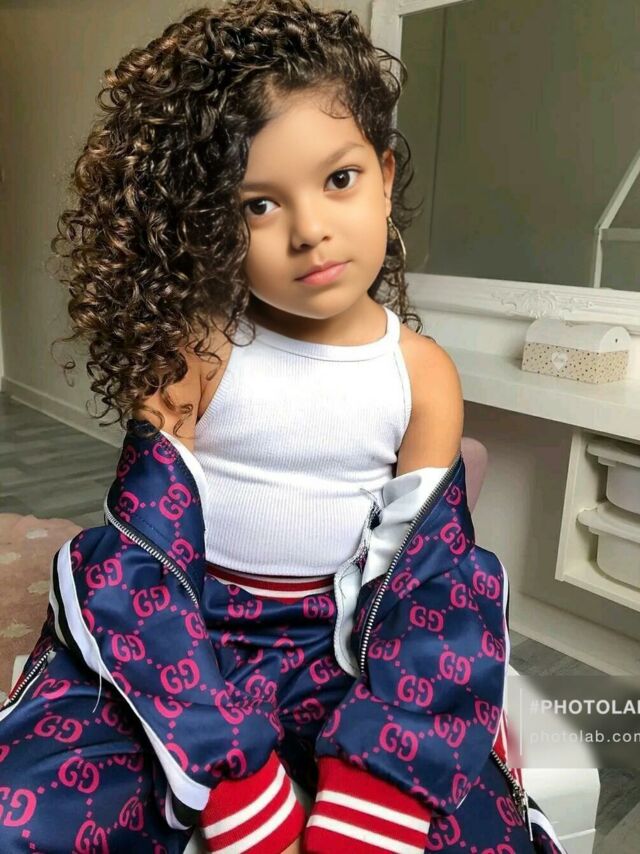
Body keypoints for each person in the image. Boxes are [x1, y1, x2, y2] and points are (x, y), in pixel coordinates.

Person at [0, 2, 565, 852]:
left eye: (339, 180)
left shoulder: (422, 373)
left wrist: (375, 788)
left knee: (471, 812)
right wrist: (234, 782)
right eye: (259, 204)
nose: (310, 231)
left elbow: (429, 572)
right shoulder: (198, 352)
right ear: (210, 225)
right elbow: (143, 552)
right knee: (31, 807)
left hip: (338, 647)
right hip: (195, 640)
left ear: (382, 175)